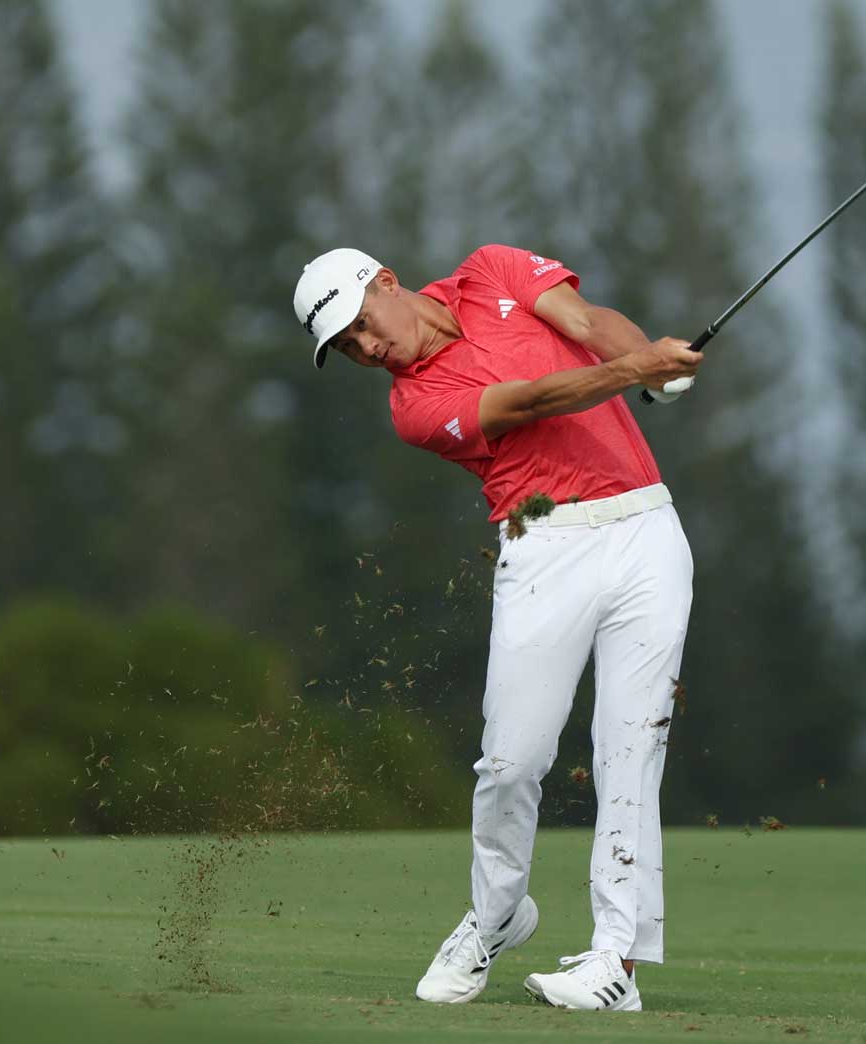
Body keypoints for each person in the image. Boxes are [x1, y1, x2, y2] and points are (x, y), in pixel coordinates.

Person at [291, 244, 704, 1012]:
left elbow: (586, 321)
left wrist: (649, 357)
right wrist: (634, 372)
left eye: (361, 326)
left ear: (385, 281)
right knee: (512, 763)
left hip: (646, 527)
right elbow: (531, 401)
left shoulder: (494, 269)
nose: (368, 349)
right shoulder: (413, 409)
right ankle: (496, 916)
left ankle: (617, 963)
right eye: (347, 349)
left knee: (630, 751)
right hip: (543, 543)